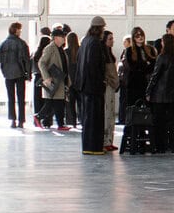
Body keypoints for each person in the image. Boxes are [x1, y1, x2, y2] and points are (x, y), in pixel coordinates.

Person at [77, 15, 116, 156]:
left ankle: (88, 146)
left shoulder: (85, 41)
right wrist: (102, 82)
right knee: (95, 118)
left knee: (87, 118)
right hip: (94, 87)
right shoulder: (96, 44)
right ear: (100, 29)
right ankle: (94, 147)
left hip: (84, 86)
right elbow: (95, 66)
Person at [148, 33, 174, 153]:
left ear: (164, 43)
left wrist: (148, 90)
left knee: (159, 121)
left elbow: (155, 76)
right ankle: (173, 145)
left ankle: (160, 145)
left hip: (160, 95)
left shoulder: (162, 57)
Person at [0, 22, 32, 128]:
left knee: (10, 97)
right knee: (21, 98)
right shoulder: (22, 43)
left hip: (7, 74)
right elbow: (26, 60)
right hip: (20, 73)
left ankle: (13, 120)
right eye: (20, 30)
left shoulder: (3, 43)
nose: (20, 31)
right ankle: (21, 120)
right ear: (16, 30)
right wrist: (28, 74)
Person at [37, 30, 72, 134]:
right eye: (62, 37)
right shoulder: (50, 48)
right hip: (53, 81)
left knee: (58, 103)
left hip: (61, 80)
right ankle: (39, 117)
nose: (64, 39)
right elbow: (41, 63)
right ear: (56, 38)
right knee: (53, 102)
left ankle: (60, 124)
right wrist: (46, 77)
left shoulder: (61, 49)